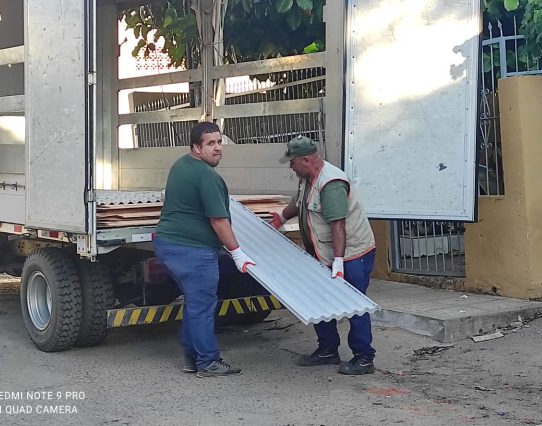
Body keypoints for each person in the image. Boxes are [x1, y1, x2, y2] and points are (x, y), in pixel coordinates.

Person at [153, 121, 255, 378]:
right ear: (196, 148)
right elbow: (218, 221)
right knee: (202, 306)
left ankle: (192, 359)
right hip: (193, 251)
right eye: (211, 144)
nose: (218, 148)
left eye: (219, 142)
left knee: (195, 303)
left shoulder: (181, 165)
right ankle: (208, 362)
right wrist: (237, 253)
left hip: (169, 245)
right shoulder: (207, 176)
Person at [270, 136, 377, 375]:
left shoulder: (331, 184)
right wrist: (282, 216)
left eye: (292, 162)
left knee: (354, 304)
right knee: (319, 299)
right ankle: (328, 350)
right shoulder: (308, 177)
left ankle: (364, 357)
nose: (290, 166)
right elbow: (300, 204)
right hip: (325, 254)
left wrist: (338, 263)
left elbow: (337, 225)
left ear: (306, 160)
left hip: (351, 254)